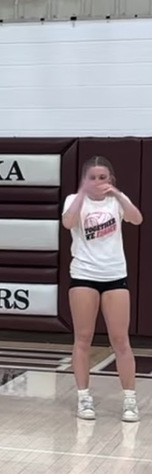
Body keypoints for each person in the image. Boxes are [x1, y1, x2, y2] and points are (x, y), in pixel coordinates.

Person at [61, 156, 143, 422]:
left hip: (115, 275)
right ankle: (84, 397)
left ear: (111, 179)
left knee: (120, 341)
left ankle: (130, 400)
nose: (98, 182)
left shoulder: (117, 201)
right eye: (92, 178)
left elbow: (137, 218)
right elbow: (68, 222)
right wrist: (82, 193)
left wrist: (118, 194)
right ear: (85, 179)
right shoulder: (74, 199)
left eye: (103, 178)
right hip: (84, 275)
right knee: (83, 339)